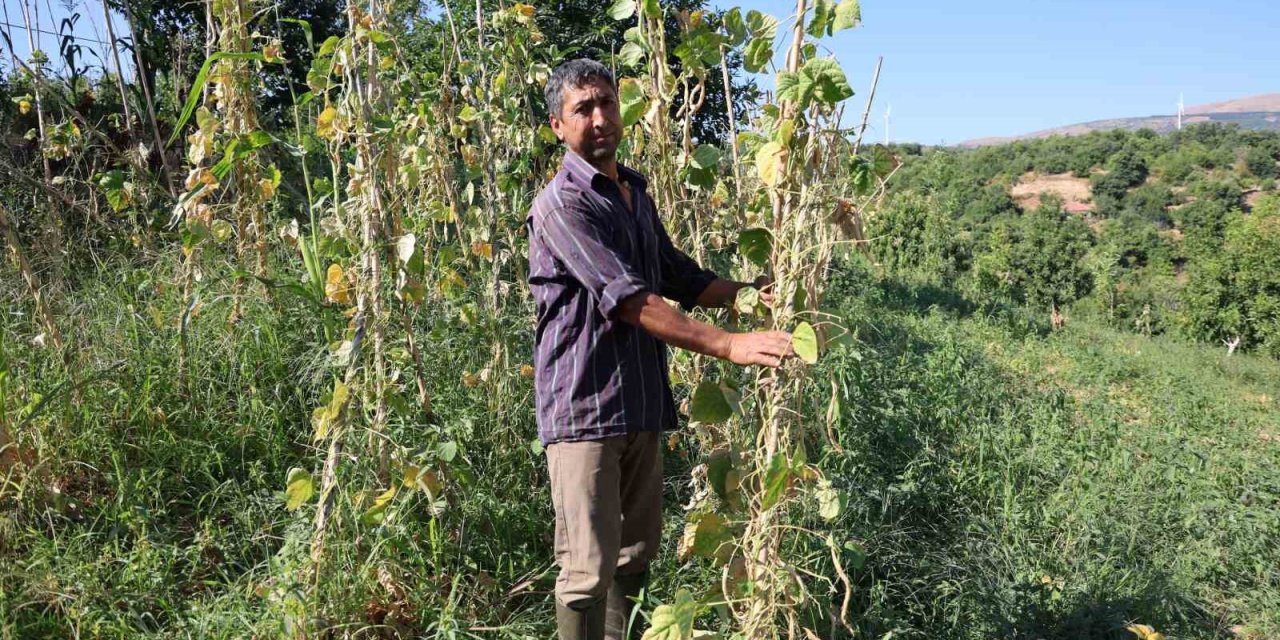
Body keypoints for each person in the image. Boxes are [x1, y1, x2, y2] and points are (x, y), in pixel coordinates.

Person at [527, 58, 794, 640]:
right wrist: (730, 344)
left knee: (635, 556)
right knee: (585, 572)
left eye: (607, 104)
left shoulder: (635, 192)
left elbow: (674, 273)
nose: (599, 118)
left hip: (640, 403)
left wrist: (750, 298)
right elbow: (629, 299)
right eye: (582, 109)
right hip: (585, 410)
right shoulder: (562, 205)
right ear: (557, 125)